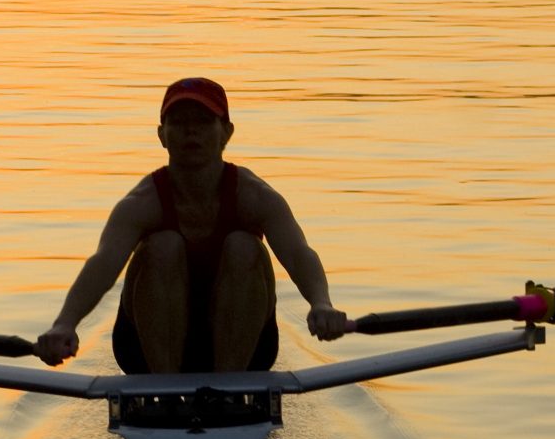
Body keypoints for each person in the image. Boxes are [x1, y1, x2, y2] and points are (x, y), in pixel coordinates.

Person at [35, 78, 348, 370]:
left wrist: (321, 304)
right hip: (145, 350)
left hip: (246, 346)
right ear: (161, 135)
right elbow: (103, 264)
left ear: (227, 132)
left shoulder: (255, 197)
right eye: (179, 122)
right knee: (163, 245)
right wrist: (65, 323)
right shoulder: (142, 203)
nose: (190, 132)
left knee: (244, 246)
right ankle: (166, 391)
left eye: (202, 121)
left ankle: (229, 390)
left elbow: (297, 253)